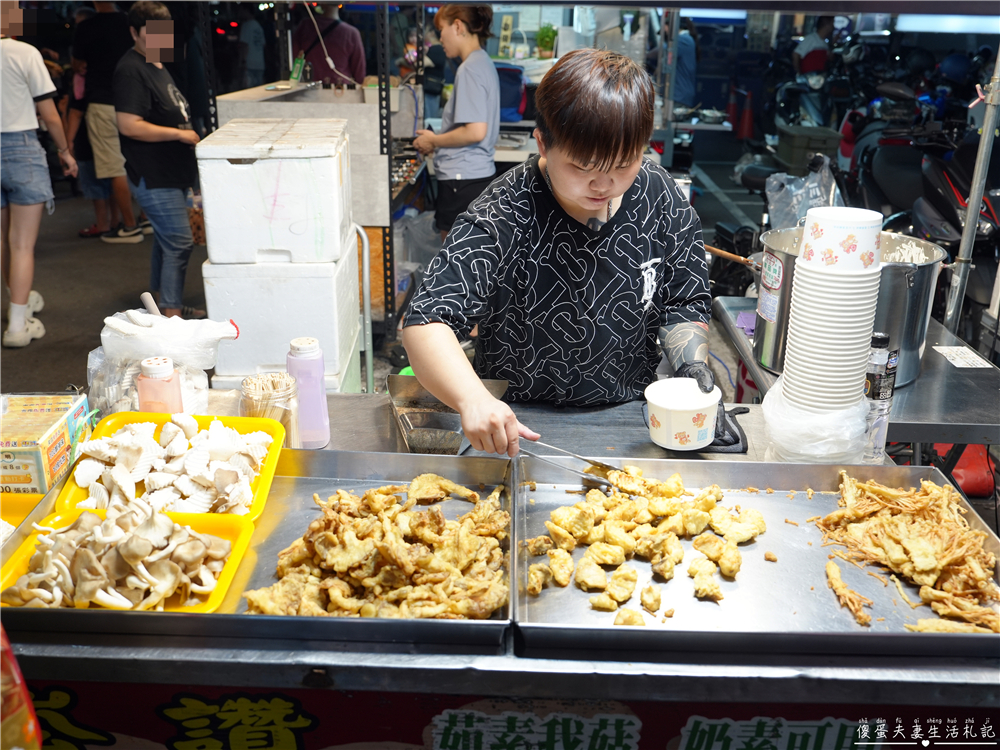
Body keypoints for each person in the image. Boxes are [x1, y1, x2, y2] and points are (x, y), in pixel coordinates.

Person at [402, 48, 714, 457]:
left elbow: (684, 300)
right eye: (583, 167)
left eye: (623, 164)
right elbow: (426, 321)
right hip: (516, 425)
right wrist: (473, 399)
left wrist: (692, 370)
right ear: (543, 143)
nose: (603, 185)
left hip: (630, 420)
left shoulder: (660, 196)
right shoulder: (504, 210)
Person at [113, 1, 203, 320]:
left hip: (171, 173)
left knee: (167, 243)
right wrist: (178, 134)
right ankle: (171, 317)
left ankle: (162, 307)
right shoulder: (131, 69)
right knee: (178, 242)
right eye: (152, 33)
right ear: (134, 33)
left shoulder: (157, 64)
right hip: (153, 174)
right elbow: (128, 124)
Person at [1, 2, 78, 348]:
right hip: (21, 149)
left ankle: (17, 300)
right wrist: (65, 151)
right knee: (21, 244)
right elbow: (49, 113)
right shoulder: (25, 53)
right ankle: (17, 326)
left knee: (3, 241)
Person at [412, 4, 499, 240]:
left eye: (441, 29)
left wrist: (434, 141)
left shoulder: (469, 69)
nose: (440, 38)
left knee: (454, 255)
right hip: (473, 177)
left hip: (461, 180)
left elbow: (475, 131)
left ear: (458, 27)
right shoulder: (483, 61)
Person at [73, 1, 143, 244]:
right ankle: (146, 218)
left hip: (102, 101)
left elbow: (78, 65)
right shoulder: (132, 20)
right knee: (140, 160)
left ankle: (130, 226)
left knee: (115, 167)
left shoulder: (86, 27)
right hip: (135, 99)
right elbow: (159, 57)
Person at [291, 4, 365, 87]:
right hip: (340, 89)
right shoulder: (352, 33)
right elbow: (359, 73)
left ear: (321, 3)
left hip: (310, 87)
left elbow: (294, 57)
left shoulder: (305, 26)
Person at [236, 4, 266, 89]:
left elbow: (244, 45)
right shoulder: (258, 26)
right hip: (260, 63)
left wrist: (242, 61)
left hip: (249, 64)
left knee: (249, 90)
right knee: (259, 90)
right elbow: (263, 44)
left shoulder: (246, 26)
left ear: (246, 11)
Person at [673, 18, 699, 108]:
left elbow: (663, 50)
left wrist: (647, 54)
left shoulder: (683, 39)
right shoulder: (686, 39)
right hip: (680, 94)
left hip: (679, 95)